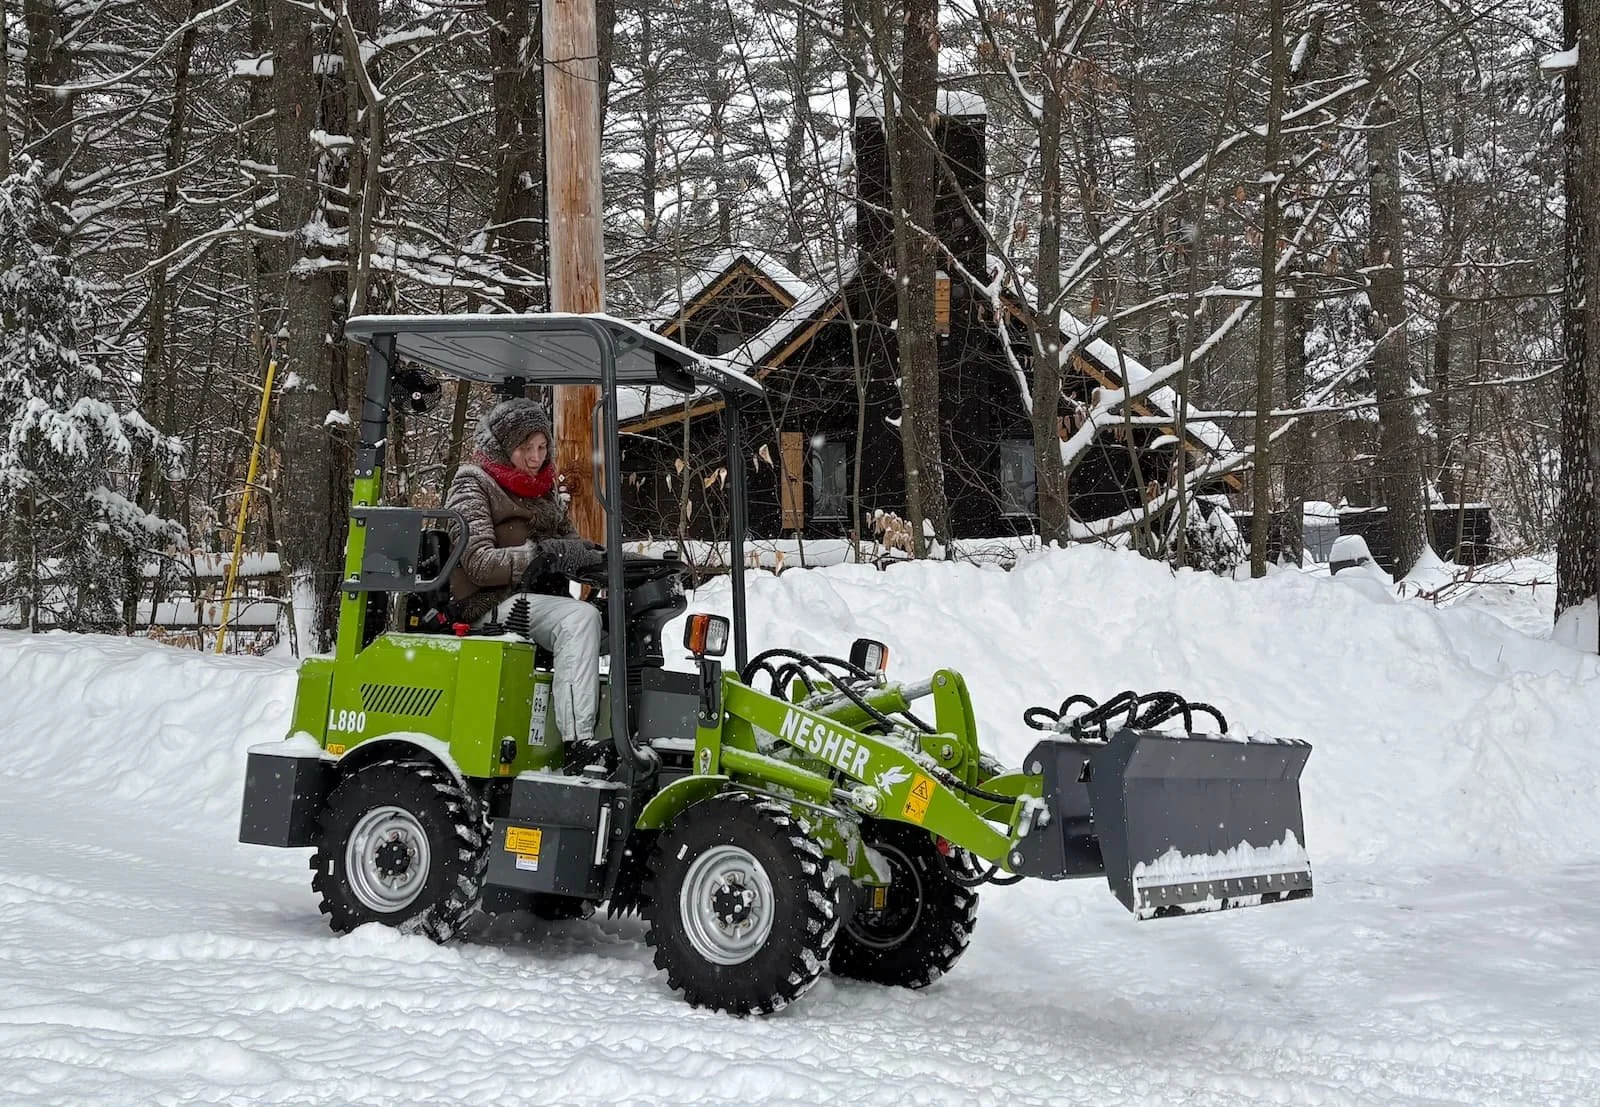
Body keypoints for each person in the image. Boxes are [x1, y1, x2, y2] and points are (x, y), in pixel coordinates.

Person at [445, 398, 606, 757]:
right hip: (490, 604)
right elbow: (479, 563)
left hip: (539, 600)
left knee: (621, 620)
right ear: (504, 447)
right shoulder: (472, 485)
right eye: (526, 448)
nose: (536, 458)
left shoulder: (542, 490)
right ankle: (578, 742)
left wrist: (602, 560)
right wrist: (537, 555)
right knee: (579, 620)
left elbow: (570, 545)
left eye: (542, 447)